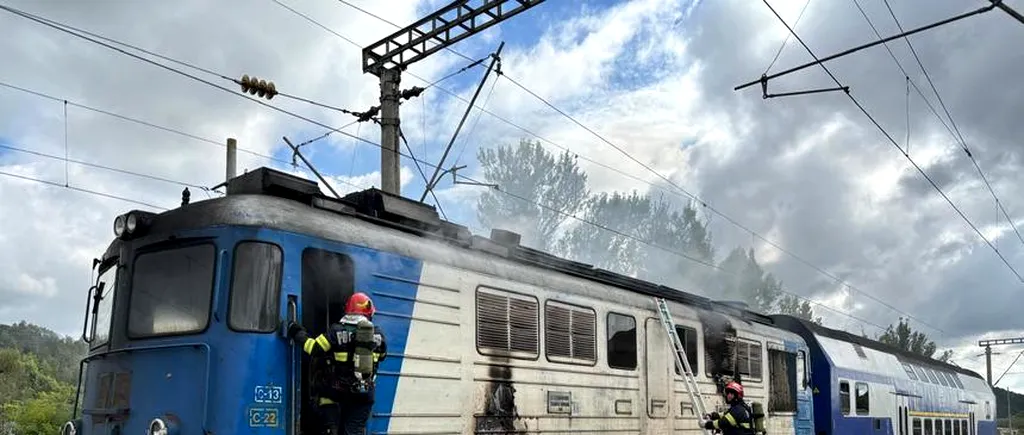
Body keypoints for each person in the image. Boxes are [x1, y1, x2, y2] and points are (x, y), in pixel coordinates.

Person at [287, 292, 388, 435]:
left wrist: (296, 331)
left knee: (325, 397)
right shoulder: (378, 334)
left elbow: (313, 348)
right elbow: (382, 356)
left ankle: (331, 428)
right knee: (353, 431)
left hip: (338, 391)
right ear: (368, 313)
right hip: (364, 394)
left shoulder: (336, 331)